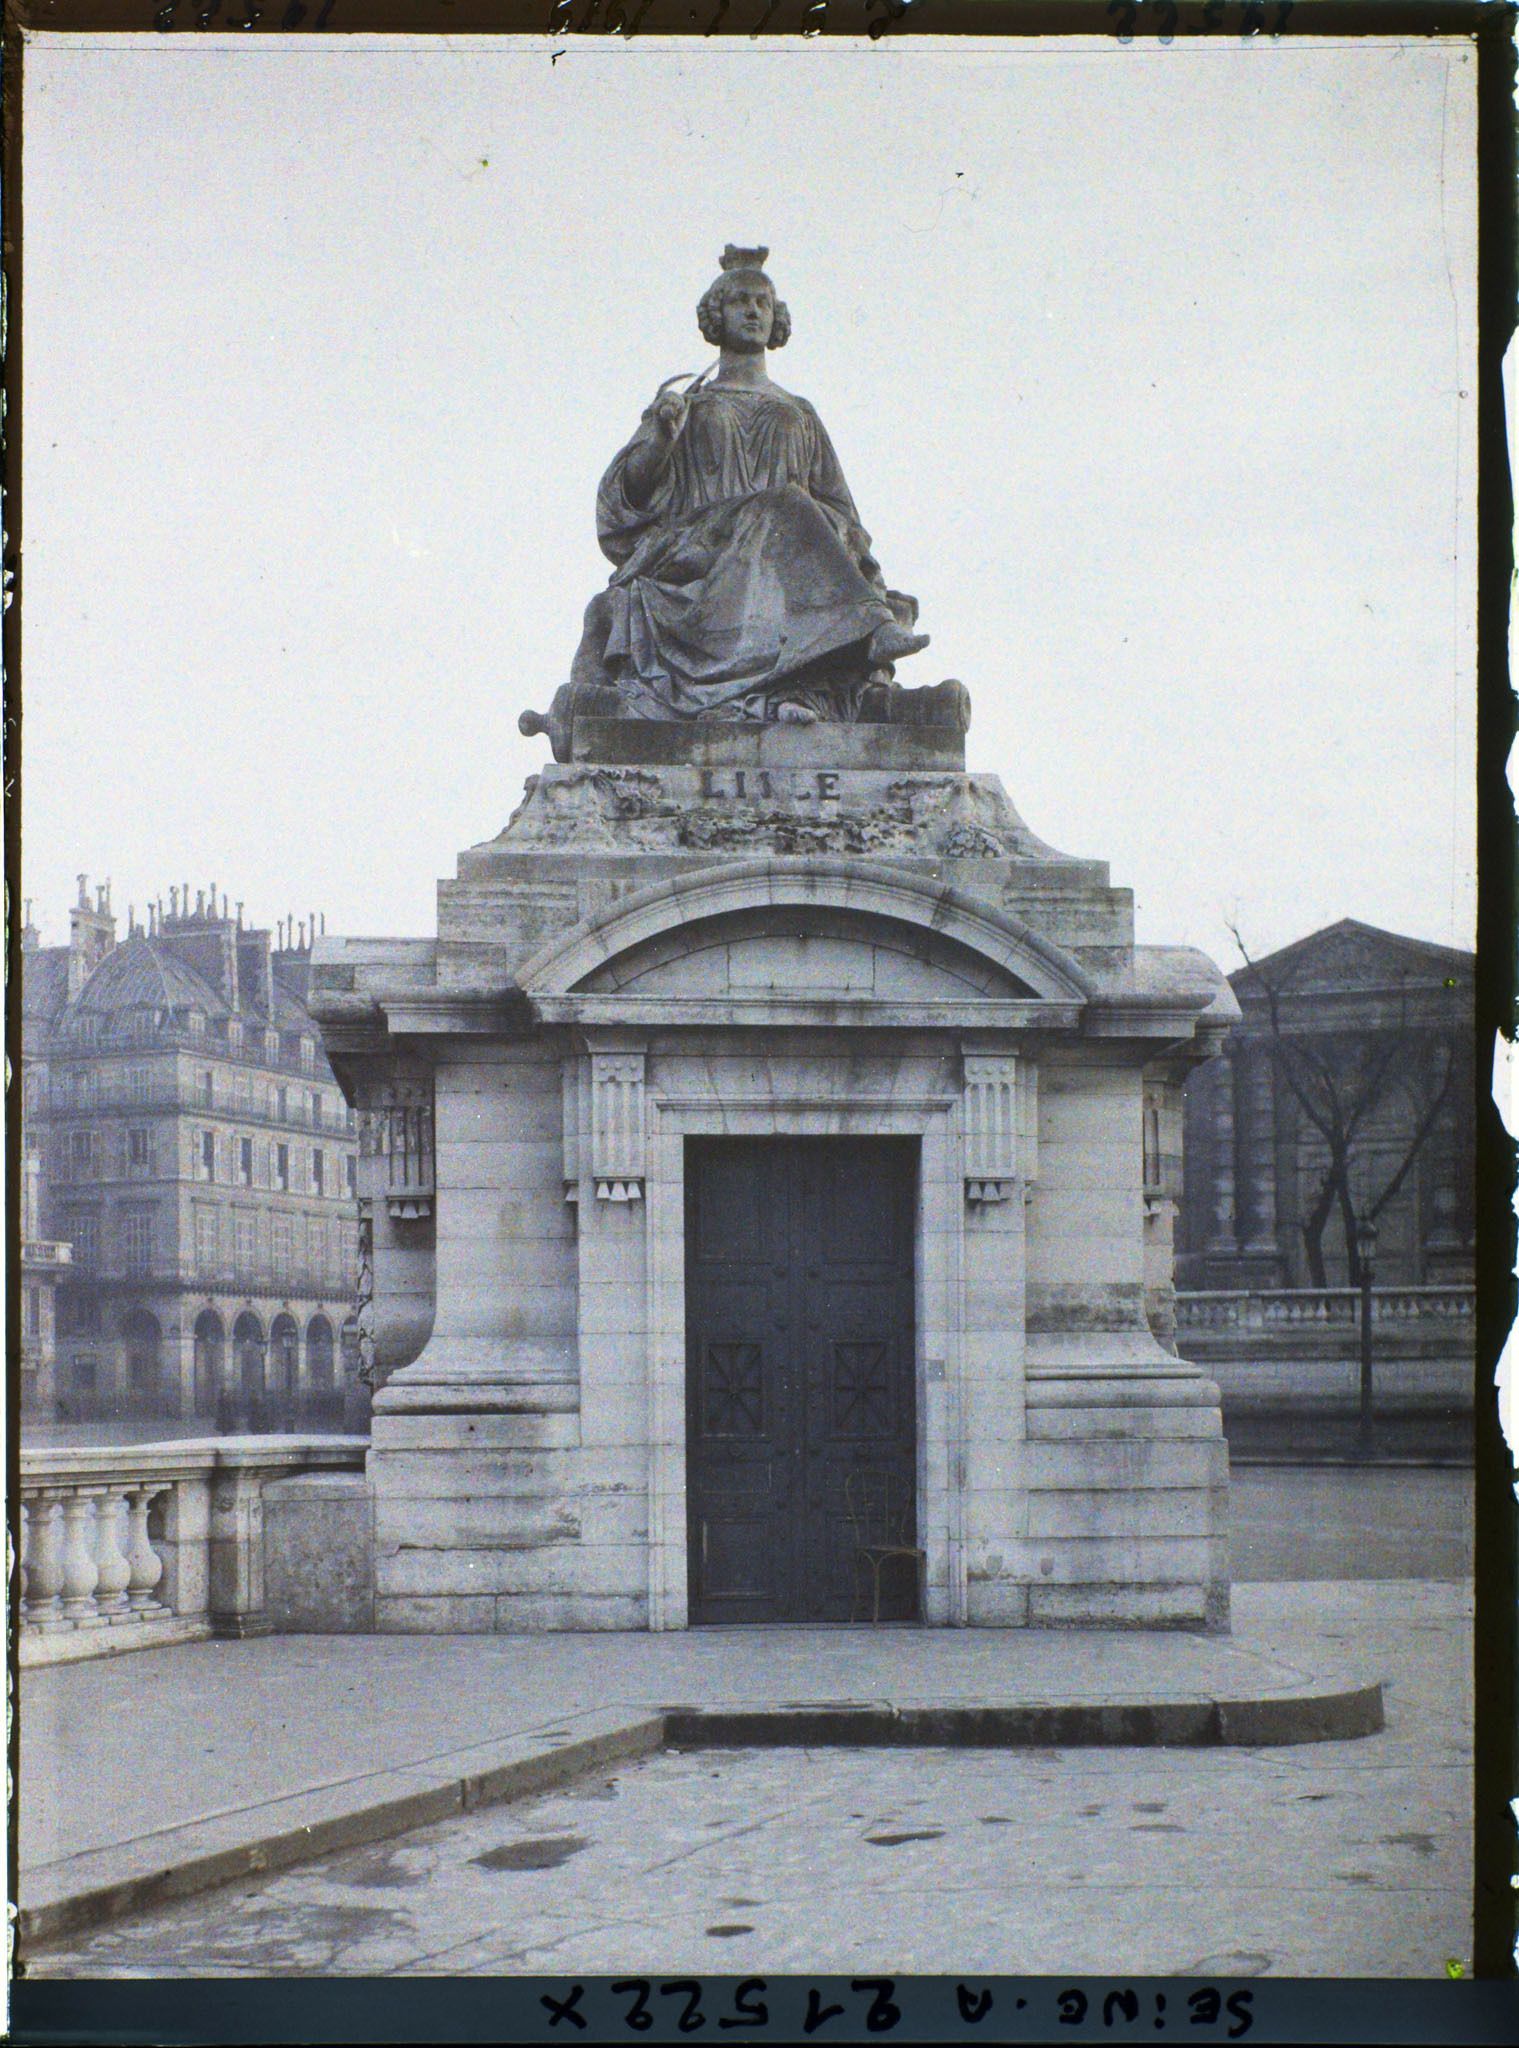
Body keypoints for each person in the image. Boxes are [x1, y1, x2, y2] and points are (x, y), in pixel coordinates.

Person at [563, 245, 929, 729]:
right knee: (785, 504)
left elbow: (841, 508)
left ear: (777, 317)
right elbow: (623, 501)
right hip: (704, 549)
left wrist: (841, 544)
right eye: (739, 301)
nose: (753, 310)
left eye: (763, 302)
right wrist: (658, 440)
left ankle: (795, 686)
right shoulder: (690, 405)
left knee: (790, 509)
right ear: (717, 314)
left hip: (784, 567)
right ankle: (872, 628)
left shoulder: (799, 412)